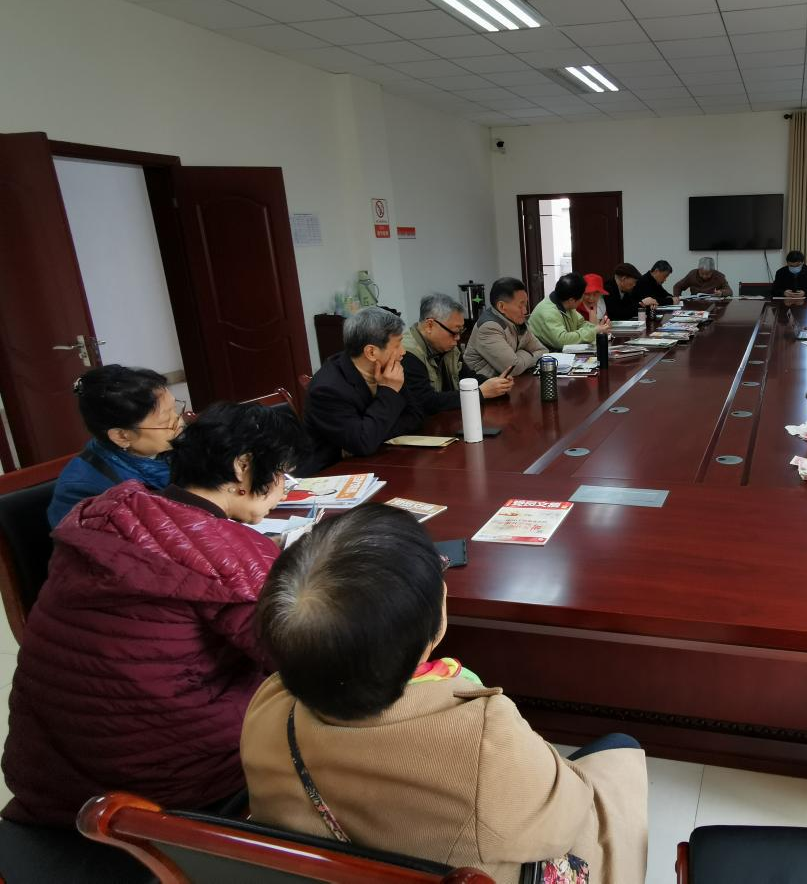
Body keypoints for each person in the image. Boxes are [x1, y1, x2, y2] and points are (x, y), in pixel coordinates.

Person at [243, 505, 649, 883]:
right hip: (466, 866)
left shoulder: (267, 706)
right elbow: (565, 817)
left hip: (331, 868)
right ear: (432, 625)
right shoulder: (483, 737)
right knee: (619, 751)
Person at [3, 401, 309, 827]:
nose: (284, 489)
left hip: (51, 772)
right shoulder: (229, 553)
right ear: (243, 469)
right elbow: (305, 660)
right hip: (163, 785)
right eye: (280, 475)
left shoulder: (108, 514)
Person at [47, 364, 180, 527]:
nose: (179, 422)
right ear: (121, 436)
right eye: (166, 421)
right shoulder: (85, 493)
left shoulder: (168, 447)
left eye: (175, 409)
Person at [302, 306, 425, 474]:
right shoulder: (327, 389)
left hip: (378, 460)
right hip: (333, 473)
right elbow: (363, 442)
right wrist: (388, 390)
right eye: (397, 345)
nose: (403, 352)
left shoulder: (388, 369)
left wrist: (375, 433)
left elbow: (416, 416)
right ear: (371, 352)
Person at [401, 293, 513, 415]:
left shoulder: (447, 346)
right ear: (430, 325)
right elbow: (426, 402)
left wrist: (496, 383)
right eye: (454, 332)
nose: (458, 338)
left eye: (460, 331)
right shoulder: (406, 353)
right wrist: (479, 393)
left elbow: (467, 377)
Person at [464, 277, 547, 378]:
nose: (525, 311)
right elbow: (513, 369)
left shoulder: (518, 321)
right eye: (520, 306)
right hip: (483, 384)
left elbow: (543, 351)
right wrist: (526, 353)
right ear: (501, 307)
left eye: (525, 304)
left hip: (510, 380)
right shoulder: (489, 328)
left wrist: (518, 357)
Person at [528, 272, 611, 350]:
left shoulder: (566, 303)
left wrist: (600, 328)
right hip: (546, 356)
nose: (583, 300)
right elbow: (562, 341)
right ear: (571, 300)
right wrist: (594, 331)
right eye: (583, 296)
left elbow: (581, 324)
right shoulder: (548, 313)